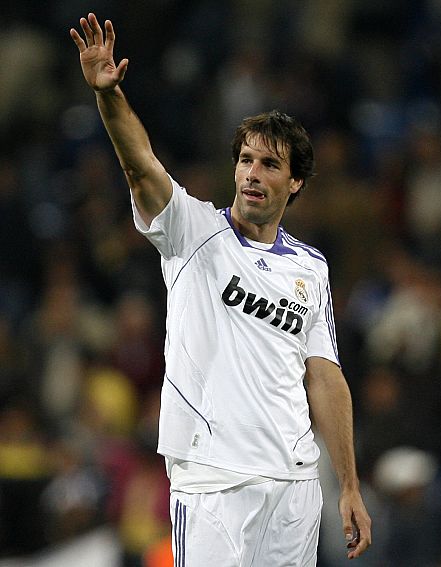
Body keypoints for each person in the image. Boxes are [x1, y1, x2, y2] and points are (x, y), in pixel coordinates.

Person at [70, 13, 371, 565]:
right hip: (211, 480)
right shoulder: (192, 231)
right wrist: (108, 95)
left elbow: (324, 377)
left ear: (295, 182)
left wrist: (349, 484)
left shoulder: (311, 268)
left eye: (270, 164)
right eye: (245, 160)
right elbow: (140, 167)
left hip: (295, 486)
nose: (253, 173)